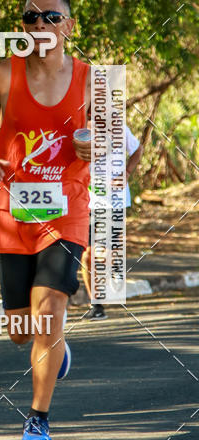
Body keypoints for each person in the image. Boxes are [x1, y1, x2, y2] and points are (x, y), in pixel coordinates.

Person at [0, 0, 91, 440]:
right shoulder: (2, 74)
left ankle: (38, 420)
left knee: (49, 310)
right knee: (20, 331)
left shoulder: (94, 81)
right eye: (31, 18)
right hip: (13, 213)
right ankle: (54, 349)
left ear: (69, 27)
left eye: (51, 18)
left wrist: (97, 145)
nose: (40, 26)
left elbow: (117, 141)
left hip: (67, 210)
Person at [82, 126, 143, 319]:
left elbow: (138, 150)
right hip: (87, 201)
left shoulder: (119, 127)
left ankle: (115, 263)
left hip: (114, 201)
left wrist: (127, 172)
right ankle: (96, 305)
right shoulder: (79, 127)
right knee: (87, 256)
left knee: (103, 253)